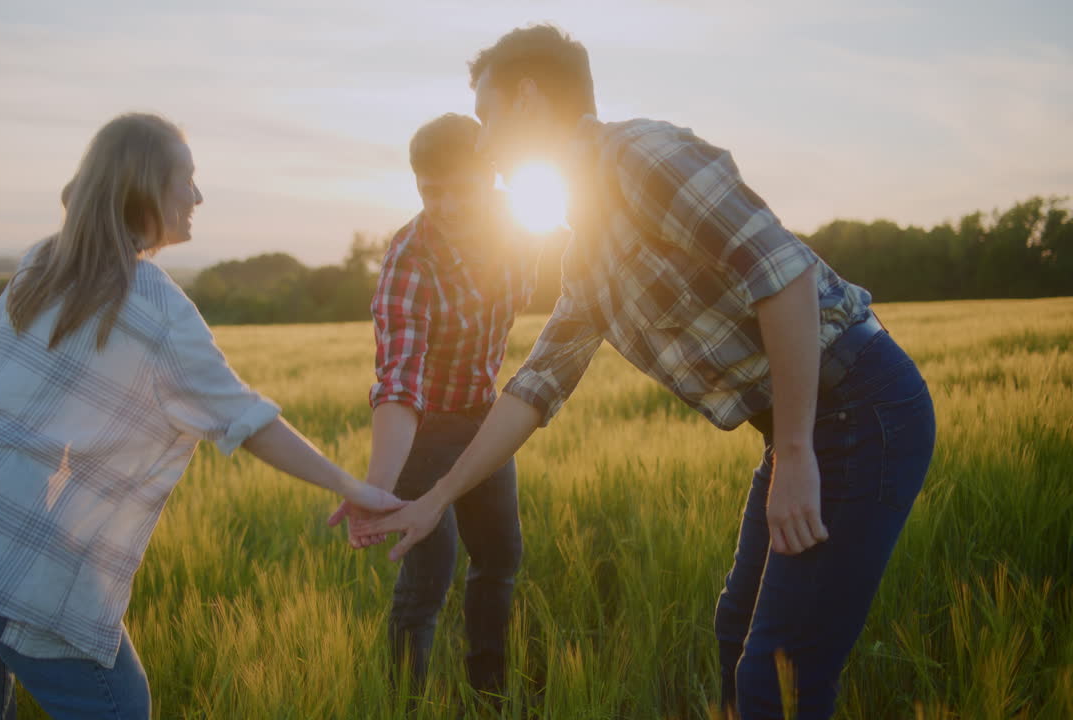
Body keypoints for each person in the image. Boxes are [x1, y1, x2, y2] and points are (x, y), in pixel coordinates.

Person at [359, 25, 936, 720]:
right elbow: (533, 388)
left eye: (487, 117)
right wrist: (434, 499)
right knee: (736, 636)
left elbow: (782, 274)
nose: (482, 142)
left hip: (860, 409)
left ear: (530, 100)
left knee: (781, 672)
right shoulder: (589, 250)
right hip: (802, 423)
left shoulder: (642, 158)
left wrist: (793, 453)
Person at [0, 112, 404, 720]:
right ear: (144, 189)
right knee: (119, 704)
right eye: (185, 180)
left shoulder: (40, 262)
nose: (197, 196)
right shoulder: (154, 301)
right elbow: (246, 419)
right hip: (15, 545)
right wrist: (351, 486)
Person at [328, 112, 538, 702]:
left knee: (499, 560)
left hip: (486, 421)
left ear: (489, 180)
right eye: (430, 191)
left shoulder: (515, 235)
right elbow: (400, 378)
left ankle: (489, 692)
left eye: (459, 189)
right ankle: (404, 705)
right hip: (423, 431)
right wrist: (378, 485)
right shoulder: (409, 261)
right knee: (428, 581)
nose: (443, 205)